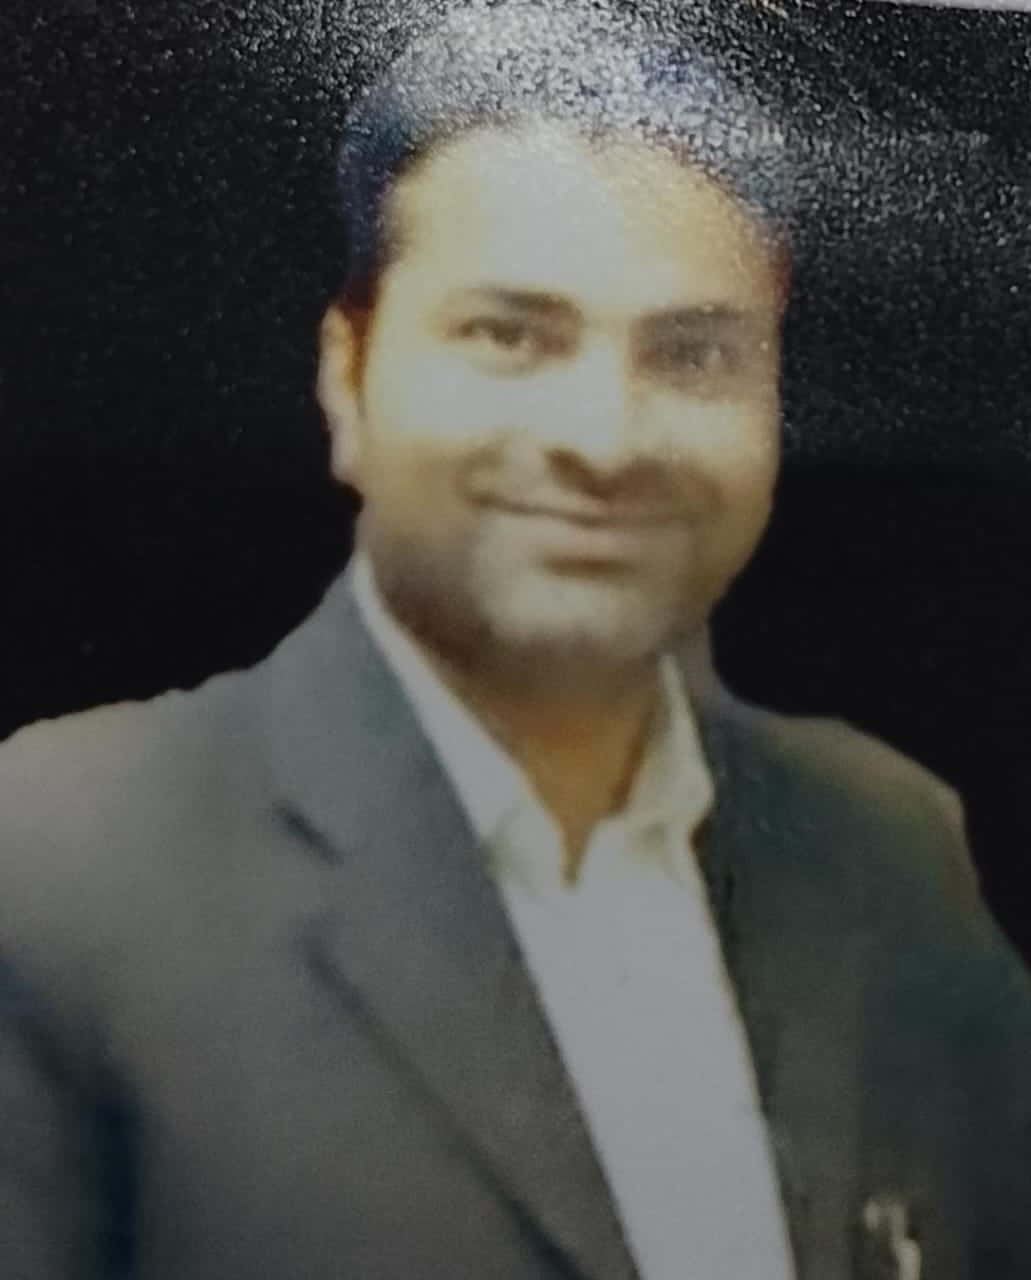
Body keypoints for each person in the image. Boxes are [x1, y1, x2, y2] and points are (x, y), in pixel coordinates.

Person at [1, 3, 1029, 1278]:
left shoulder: (888, 846)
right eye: (508, 335)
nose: (604, 439)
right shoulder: (55, 868)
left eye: (693, 352)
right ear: (346, 373)